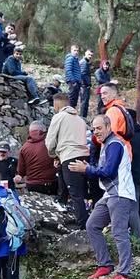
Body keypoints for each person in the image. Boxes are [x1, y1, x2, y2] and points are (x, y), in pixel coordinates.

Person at [70, 115, 135, 279]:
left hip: (120, 194)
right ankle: (105, 264)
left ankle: (124, 273)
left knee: (119, 232)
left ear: (108, 126)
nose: (95, 132)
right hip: (110, 194)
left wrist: (86, 169)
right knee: (92, 225)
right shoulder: (107, 144)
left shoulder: (114, 144)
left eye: (98, 128)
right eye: (93, 129)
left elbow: (108, 171)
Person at [46, 92, 90, 228]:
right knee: (77, 189)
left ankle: (83, 225)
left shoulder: (59, 117)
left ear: (57, 104)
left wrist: (53, 154)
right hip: (83, 156)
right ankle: (62, 201)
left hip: (69, 155)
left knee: (75, 193)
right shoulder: (80, 120)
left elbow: (51, 140)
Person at [13, 121, 56, 195]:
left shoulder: (24, 148)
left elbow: (21, 172)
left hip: (31, 185)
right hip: (50, 184)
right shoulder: (49, 144)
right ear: (43, 131)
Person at [64, 44, 83, 114]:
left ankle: (72, 114)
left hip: (77, 82)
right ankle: (69, 114)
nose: (76, 52)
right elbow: (68, 70)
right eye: (74, 50)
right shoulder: (70, 58)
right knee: (71, 100)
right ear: (71, 50)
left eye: (77, 51)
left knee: (74, 100)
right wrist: (73, 81)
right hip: (73, 82)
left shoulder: (76, 59)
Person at [79, 49, 95, 118]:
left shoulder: (86, 62)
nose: (90, 56)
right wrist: (86, 84)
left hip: (85, 85)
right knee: (84, 103)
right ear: (85, 54)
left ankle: (83, 118)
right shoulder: (84, 62)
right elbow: (82, 74)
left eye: (91, 55)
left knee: (85, 103)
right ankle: (82, 118)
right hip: (84, 86)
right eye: (89, 54)